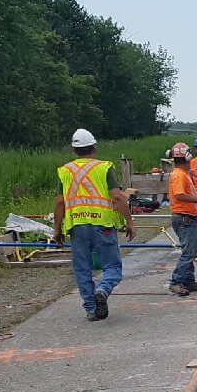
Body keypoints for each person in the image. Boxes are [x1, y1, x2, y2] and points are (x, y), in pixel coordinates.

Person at [53, 128, 136, 321]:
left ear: (74, 150)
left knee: (82, 268)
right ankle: (103, 289)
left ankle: (91, 309)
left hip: (77, 226)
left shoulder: (64, 171)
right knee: (112, 266)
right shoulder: (105, 167)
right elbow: (118, 196)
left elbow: (59, 202)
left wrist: (57, 229)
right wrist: (129, 222)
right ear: (94, 147)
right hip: (103, 225)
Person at [167, 142, 197, 296]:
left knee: (190, 250)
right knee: (189, 252)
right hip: (184, 218)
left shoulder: (183, 174)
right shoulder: (179, 175)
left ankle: (189, 281)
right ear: (188, 156)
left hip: (188, 218)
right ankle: (176, 282)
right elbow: (179, 195)